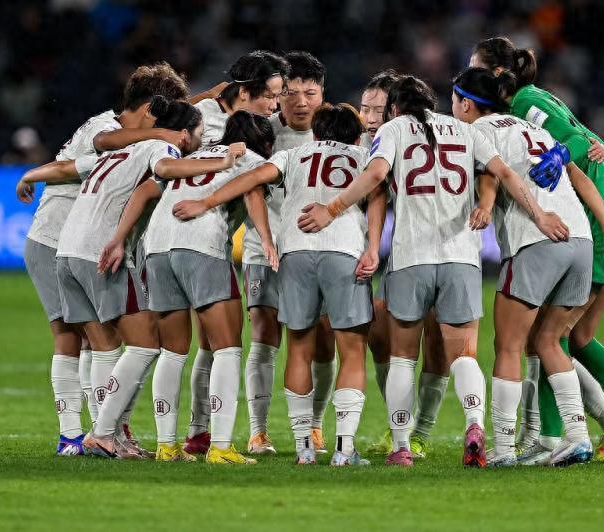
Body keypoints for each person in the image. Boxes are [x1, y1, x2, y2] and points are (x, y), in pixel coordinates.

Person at [294, 75, 568, 468]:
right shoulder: (464, 129)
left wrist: (331, 208)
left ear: (394, 108)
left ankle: (402, 445)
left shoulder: (393, 130)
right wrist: (539, 215)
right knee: (464, 353)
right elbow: (503, 173)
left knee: (403, 356)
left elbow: (375, 175)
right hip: (461, 256)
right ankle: (474, 424)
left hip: (411, 257)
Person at [470, 36, 604, 464]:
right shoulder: (535, 99)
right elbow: (585, 136)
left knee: (553, 335)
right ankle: (584, 431)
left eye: (477, 69)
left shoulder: (523, 103)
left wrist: (564, 156)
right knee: (569, 336)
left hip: (597, 218)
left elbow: (576, 144)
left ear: (498, 74)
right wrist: (589, 145)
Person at [17, 97, 235, 458]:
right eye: (199, 135)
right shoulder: (162, 148)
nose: (200, 143)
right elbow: (163, 170)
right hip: (99, 252)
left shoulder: (119, 152)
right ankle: (103, 432)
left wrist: (28, 175)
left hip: (67, 253)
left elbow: (68, 167)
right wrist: (224, 162)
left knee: (104, 346)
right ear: (184, 135)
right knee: (145, 344)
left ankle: (109, 436)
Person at [174, 103, 383, 466]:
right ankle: (344, 449)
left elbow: (252, 179)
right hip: (344, 250)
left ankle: (304, 449)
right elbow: (378, 193)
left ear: (315, 133)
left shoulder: (293, 154)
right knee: (351, 350)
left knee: (298, 347)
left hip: (295, 252)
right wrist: (374, 248)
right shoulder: (364, 156)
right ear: (355, 137)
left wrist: (205, 202)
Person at [451, 66, 604, 466]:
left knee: (508, 345)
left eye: (455, 100)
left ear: (466, 103)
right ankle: (578, 437)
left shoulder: (477, 131)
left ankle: (504, 448)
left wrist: (532, 215)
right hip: (580, 240)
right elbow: (580, 177)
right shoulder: (535, 129)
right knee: (549, 340)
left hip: (538, 239)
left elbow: (495, 175)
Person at [98, 111, 273, 463]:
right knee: (227, 348)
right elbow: (254, 192)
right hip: (201, 244)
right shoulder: (249, 158)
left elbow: (145, 190)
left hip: (157, 247)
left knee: (173, 351)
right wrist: (267, 241)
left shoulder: (193, 156)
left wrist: (119, 238)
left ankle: (167, 446)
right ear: (265, 143)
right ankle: (220, 447)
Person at [183, 50, 290, 456]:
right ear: (245, 92)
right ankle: (199, 434)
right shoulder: (201, 118)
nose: (275, 105)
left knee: (206, 343)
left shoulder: (250, 124)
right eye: (271, 95)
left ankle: (194, 432)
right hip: (193, 235)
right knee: (209, 342)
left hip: (209, 240)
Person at [241, 51, 335, 456]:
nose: (300, 102)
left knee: (324, 341)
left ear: (322, 94)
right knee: (264, 335)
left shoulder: (336, 133)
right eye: (291, 93)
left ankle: (314, 425)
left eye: (309, 93)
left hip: (319, 252)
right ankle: (258, 431)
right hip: (265, 250)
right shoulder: (261, 132)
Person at [359, 69, 450, 459]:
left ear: (396, 109)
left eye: (378, 109)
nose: (370, 117)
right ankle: (400, 423)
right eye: (364, 108)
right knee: (380, 334)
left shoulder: (419, 135)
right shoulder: (360, 142)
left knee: (438, 337)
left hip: (443, 249)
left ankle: (420, 432)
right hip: (400, 253)